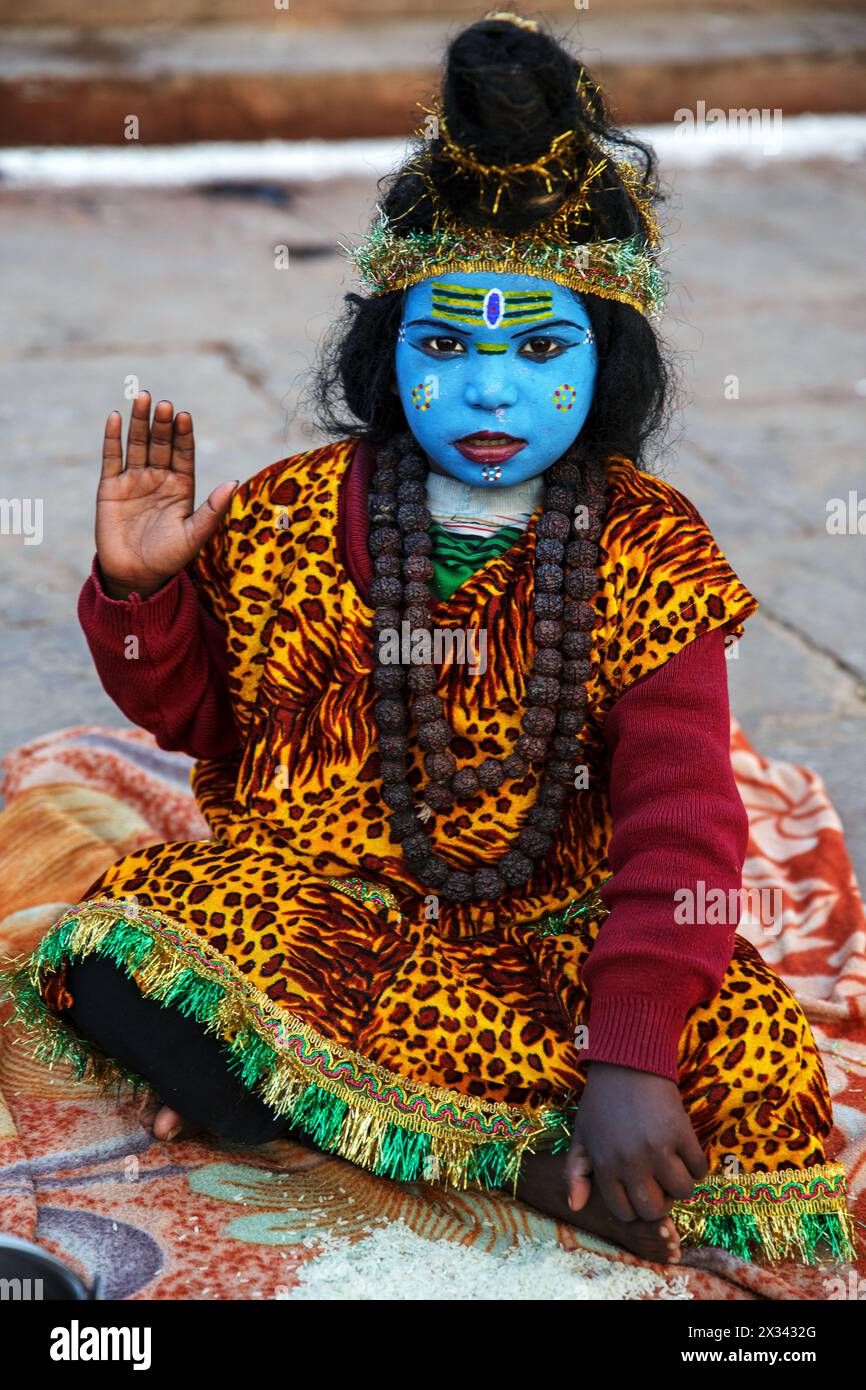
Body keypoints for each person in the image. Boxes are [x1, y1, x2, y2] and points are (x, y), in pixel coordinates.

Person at [3, 12, 853, 1266]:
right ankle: (526, 1166)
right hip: (315, 907)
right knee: (137, 945)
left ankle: (329, 1103)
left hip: (554, 934)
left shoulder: (650, 541)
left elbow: (686, 825)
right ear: (385, 351)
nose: (491, 393)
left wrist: (626, 1055)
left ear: (604, 361)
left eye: (539, 348)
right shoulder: (293, 505)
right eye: (445, 345)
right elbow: (199, 726)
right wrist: (138, 598)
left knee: (744, 1051)